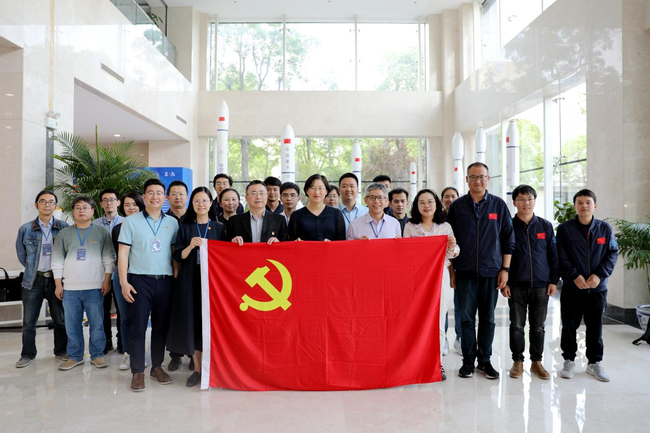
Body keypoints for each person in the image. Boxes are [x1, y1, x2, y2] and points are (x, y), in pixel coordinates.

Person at [447, 162, 515, 380]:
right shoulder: (457, 207)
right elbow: (449, 243)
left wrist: (505, 269)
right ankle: (468, 361)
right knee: (466, 320)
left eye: (482, 176)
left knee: (488, 319)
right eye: (473, 176)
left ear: (488, 179)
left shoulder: (498, 205)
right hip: (465, 272)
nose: (477, 180)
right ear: (466, 179)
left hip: (491, 272)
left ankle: (485, 360)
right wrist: (452, 273)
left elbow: (508, 239)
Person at [118, 178, 179, 392]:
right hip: (139, 281)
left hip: (165, 281)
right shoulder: (131, 222)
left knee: (161, 328)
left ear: (165, 197)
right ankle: (137, 372)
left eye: (159, 193)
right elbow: (123, 253)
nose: (155, 197)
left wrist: (176, 277)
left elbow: (174, 253)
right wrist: (124, 282)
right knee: (138, 327)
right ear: (144, 196)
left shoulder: (172, 222)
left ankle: (157, 367)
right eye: (150, 192)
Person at [557, 189, 618, 382]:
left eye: (588, 202)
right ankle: (568, 361)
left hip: (597, 288)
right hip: (572, 287)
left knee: (595, 326)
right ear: (575, 206)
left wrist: (600, 275)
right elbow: (561, 256)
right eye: (580, 202)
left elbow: (612, 254)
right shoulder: (565, 229)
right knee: (569, 325)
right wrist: (574, 276)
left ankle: (594, 363)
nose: (584, 206)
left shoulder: (605, 229)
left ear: (595, 205)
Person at [167, 187, 226, 387]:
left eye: (205, 201)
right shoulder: (185, 227)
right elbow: (178, 256)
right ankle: (198, 369)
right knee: (193, 323)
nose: (201, 204)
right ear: (192, 204)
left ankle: (214, 368)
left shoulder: (219, 227)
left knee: (212, 323)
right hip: (190, 281)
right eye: (197, 201)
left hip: (213, 282)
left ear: (211, 204)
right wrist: (191, 246)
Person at [499, 185, 559, 380]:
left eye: (529, 199)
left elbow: (553, 255)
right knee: (516, 326)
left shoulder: (545, 226)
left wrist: (553, 281)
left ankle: (537, 362)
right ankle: (517, 361)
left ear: (534, 201)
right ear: (514, 202)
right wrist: (505, 282)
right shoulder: (507, 226)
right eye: (521, 199)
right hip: (515, 284)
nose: (526, 203)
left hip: (541, 285)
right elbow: (501, 254)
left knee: (538, 326)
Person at [52, 196, 115, 371]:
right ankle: (75, 356)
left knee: (97, 324)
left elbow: (109, 258)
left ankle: (97, 355)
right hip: (70, 288)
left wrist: (107, 280)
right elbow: (57, 261)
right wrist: (58, 284)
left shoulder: (102, 232)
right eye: (78, 207)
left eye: (85, 207)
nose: (81, 210)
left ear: (92, 211)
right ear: (73, 211)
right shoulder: (64, 234)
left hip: (95, 287)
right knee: (72, 325)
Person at [403, 189, 459, 380]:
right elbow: (405, 253)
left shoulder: (445, 226)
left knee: (438, 321)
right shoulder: (410, 226)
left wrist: (452, 246)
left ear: (437, 204)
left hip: (439, 277)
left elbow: (452, 254)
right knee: (416, 321)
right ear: (416, 206)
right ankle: (416, 362)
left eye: (430, 202)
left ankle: (437, 364)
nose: (426, 206)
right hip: (416, 279)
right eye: (422, 202)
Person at [14, 191, 69, 368]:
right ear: (36, 205)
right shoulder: (25, 229)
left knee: (60, 319)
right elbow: (22, 255)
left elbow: (68, 252)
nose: (47, 205)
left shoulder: (64, 227)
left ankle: (61, 350)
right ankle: (27, 354)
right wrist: (33, 269)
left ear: (55, 206)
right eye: (43, 201)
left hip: (56, 280)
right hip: (33, 280)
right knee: (29, 321)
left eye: (51, 202)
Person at [112, 192, 146, 371]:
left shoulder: (148, 225)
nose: (131, 208)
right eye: (127, 205)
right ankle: (128, 353)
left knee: (141, 317)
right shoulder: (118, 228)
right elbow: (119, 256)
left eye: (135, 204)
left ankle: (141, 353)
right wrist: (123, 280)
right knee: (125, 317)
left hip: (143, 276)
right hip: (122, 276)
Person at [164, 180, 190, 371]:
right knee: (171, 316)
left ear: (187, 197)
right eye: (174, 194)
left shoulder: (194, 218)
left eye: (181, 194)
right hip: (167, 274)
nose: (178, 197)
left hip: (189, 275)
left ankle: (192, 353)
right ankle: (175, 354)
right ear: (167, 197)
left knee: (189, 314)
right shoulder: (162, 220)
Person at [95, 188, 123, 355]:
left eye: (112, 199)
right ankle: (106, 342)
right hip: (101, 273)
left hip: (121, 273)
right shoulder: (95, 225)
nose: (109, 203)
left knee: (122, 309)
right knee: (103, 310)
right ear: (101, 204)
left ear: (118, 202)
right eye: (105, 200)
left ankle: (122, 341)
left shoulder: (127, 222)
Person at [226, 180, 288, 245]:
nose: (258, 197)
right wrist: (233, 241)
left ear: (267, 196)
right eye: (254, 193)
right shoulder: (234, 221)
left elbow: (286, 245)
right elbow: (226, 245)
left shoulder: (279, 220)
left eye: (261, 193)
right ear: (246, 198)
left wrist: (278, 243)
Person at [289, 174, 346, 241]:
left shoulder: (336, 214)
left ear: (326, 191)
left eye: (320, 188)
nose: (316, 192)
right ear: (307, 191)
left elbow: (341, 241)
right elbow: (290, 241)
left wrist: (332, 244)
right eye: (312, 188)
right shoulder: (296, 215)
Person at [440, 186, 462, 355]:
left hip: (461, 264)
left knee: (459, 303)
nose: (450, 199)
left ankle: (460, 338)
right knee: (444, 304)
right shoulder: (439, 219)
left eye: (453, 196)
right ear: (442, 200)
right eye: (446, 196)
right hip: (445, 267)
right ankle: (444, 338)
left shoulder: (462, 215)